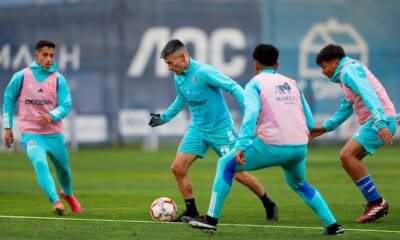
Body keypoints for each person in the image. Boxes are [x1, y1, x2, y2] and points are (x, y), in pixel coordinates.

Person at [183, 44, 344, 235]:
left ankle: (210, 220)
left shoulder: (255, 83)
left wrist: (241, 145)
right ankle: (333, 226)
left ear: (255, 65)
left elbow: (251, 115)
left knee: (226, 164)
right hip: (299, 146)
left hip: (273, 145)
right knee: (300, 184)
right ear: (277, 65)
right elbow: (309, 121)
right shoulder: (292, 83)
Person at [148, 39, 278, 222]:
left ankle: (268, 203)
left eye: (170, 62)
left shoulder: (204, 72)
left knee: (238, 173)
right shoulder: (178, 76)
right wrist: (163, 118)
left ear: (183, 57)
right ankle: (191, 211)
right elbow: (181, 99)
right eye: (166, 63)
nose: (169, 67)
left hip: (220, 130)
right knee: (178, 167)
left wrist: (249, 110)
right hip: (197, 130)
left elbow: (233, 87)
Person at [310, 44, 397, 223]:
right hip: (379, 119)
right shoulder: (347, 74)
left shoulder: (349, 70)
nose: (323, 72)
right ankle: (375, 202)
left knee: (347, 155)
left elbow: (368, 93)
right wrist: (326, 127)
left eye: (324, 66)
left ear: (335, 62)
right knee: (348, 159)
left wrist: (380, 121)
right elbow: (346, 107)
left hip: (378, 121)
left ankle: (376, 202)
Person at [2, 40, 82, 215]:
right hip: (31, 133)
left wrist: (51, 115)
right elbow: (8, 100)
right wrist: (7, 128)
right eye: (45, 55)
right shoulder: (21, 76)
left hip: (54, 134)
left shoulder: (59, 79)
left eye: (52, 55)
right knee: (39, 162)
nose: (49, 59)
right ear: (36, 56)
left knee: (64, 170)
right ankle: (56, 201)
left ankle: (68, 194)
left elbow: (66, 105)